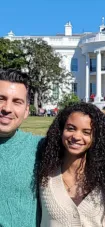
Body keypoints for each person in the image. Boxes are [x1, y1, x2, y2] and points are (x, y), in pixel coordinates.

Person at [36, 102, 105, 226]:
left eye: (86, 132)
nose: (77, 136)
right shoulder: (44, 172)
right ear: (60, 131)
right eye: (71, 128)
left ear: (96, 137)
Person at [0, 69, 43, 227]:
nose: (7, 108)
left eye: (17, 102)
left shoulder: (41, 148)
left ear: (26, 111)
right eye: (1, 98)